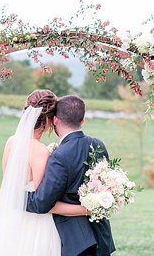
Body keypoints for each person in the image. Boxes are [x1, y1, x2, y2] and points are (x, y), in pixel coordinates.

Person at [0, 90, 88, 256]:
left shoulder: (11, 141)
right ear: (49, 120)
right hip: (36, 225)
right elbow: (44, 204)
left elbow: (12, 187)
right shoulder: (40, 151)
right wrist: (86, 209)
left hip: (14, 220)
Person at [26, 95, 116, 256]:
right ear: (82, 120)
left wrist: (15, 196)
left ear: (55, 120)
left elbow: (42, 203)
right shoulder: (98, 144)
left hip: (76, 241)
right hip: (101, 236)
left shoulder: (59, 156)